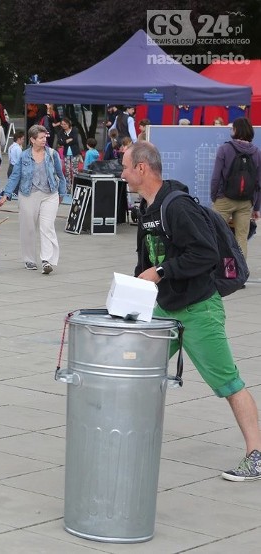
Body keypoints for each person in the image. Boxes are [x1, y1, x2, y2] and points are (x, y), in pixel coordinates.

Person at [124, 141, 261, 482]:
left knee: (228, 382)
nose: (122, 172)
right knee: (139, 370)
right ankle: (131, 439)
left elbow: (205, 253)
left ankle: (256, 454)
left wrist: (162, 272)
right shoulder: (148, 209)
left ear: (142, 168)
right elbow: (147, 262)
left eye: (125, 166)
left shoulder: (177, 207)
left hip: (199, 309)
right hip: (165, 308)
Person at [0, 124, 67, 274]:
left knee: (47, 227)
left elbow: (60, 175)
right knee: (28, 228)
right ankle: (29, 259)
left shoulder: (52, 154)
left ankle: (46, 260)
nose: (44, 140)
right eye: (41, 138)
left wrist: (62, 193)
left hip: (50, 195)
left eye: (45, 137)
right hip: (28, 194)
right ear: (32, 139)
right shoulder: (24, 156)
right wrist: (6, 194)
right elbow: (15, 175)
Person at [210, 117, 261, 258]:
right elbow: (258, 182)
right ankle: (240, 274)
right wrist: (256, 207)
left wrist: (215, 197)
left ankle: (218, 273)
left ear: (237, 130)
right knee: (241, 239)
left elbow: (216, 177)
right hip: (245, 202)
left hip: (224, 199)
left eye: (232, 128)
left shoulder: (225, 149)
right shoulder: (257, 152)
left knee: (216, 236)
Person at [58, 118, 81, 191]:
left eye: (65, 124)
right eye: (62, 124)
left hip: (75, 152)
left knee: (75, 170)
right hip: (66, 153)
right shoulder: (61, 132)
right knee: (67, 171)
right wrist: (67, 140)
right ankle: (68, 187)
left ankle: (76, 186)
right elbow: (60, 142)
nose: (63, 126)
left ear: (68, 124)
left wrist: (65, 141)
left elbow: (74, 140)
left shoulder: (74, 130)